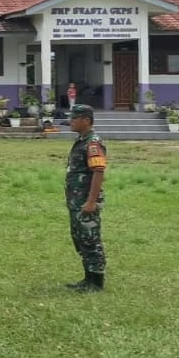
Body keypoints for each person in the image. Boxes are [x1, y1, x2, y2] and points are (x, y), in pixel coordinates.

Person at [64, 104, 108, 292]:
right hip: (77, 201)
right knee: (80, 238)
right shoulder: (82, 140)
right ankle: (87, 278)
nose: (71, 122)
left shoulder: (93, 143)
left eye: (75, 118)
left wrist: (91, 201)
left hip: (85, 201)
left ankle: (96, 281)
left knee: (90, 238)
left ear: (86, 120)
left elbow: (98, 171)